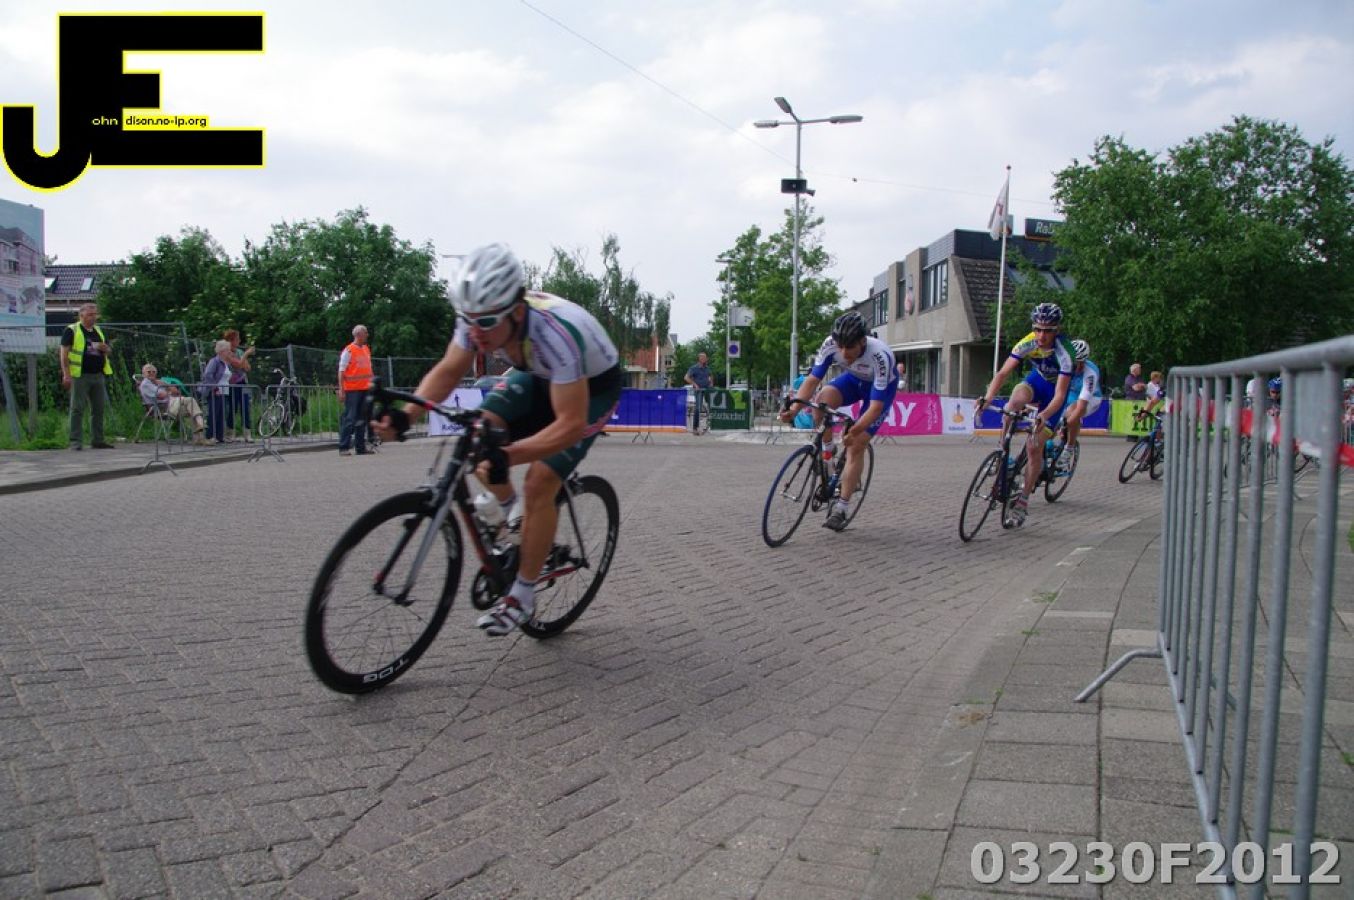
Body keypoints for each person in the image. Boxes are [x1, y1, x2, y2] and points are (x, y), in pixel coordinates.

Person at [371, 243, 623, 637]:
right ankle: (517, 520)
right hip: (538, 373)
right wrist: (407, 414)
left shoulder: (555, 334)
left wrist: (512, 454)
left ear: (517, 312)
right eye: (467, 321)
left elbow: (570, 424)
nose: (475, 333)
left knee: (539, 481)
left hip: (592, 388)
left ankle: (522, 596)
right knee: (478, 439)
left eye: (486, 323)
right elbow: (449, 369)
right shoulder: (478, 318)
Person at [778, 311, 897, 532]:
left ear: (862, 342)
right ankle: (828, 450)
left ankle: (841, 508)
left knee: (856, 444)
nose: (843, 352)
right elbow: (813, 380)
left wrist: (854, 431)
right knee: (822, 401)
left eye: (849, 347)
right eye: (840, 346)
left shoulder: (880, 356)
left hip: (878, 391)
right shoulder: (830, 344)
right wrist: (794, 410)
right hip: (852, 380)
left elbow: (875, 408)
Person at [974, 302, 1073, 527]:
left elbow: (1060, 395)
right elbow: (1003, 373)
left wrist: (1044, 416)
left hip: (1054, 396)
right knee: (1012, 405)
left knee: (1033, 446)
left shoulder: (1065, 352)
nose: (1041, 335)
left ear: (1056, 330)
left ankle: (1023, 501)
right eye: (1037, 329)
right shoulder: (1028, 342)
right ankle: (1002, 453)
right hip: (1036, 381)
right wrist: (987, 398)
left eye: (1047, 331)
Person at [58, 302, 114, 450]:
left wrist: (106, 349)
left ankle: (98, 440)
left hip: (98, 374)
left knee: (99, 408)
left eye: (95, 315)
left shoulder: (98, 331)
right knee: (77, 408)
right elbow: (64, 354)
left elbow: (109, 350)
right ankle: (75, 441)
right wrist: (66, 375)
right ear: (81, 315)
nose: (93, 317)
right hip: (80, 375)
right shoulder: (72, 330)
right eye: (90, 315)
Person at [138, 363, 209, 445]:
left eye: (153, 372)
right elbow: (161, 395)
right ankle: (201, 427)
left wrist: (165, 384)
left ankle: (199, 436)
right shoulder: (146, 384)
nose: (151, 373)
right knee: (189, 401)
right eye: (149, 372)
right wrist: (169, 392)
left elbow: (176, 391)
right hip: (161, 408)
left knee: (191, 406)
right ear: (144, 373)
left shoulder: (157, 382)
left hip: (172, 406)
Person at [1058, 339, 1102, 467]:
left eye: (1077, 363)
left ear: (1084, 361)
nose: (1074, 367)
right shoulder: (1061, 364)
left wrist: (1066, 425)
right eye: (1071, 362)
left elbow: (1081, 406)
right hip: (1072, 393)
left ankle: (1069, 449)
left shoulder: (1090, 373)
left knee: (1074, 412)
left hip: (1091, 397)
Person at [337, 324, 373, 455]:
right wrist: (341, 390)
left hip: (365, 388)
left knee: (361, 419)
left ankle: (360, 447)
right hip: (352, 390)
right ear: (359, 335)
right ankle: (343, 447)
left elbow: (368, 369)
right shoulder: (349, 350)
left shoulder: (366, 349)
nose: (367, 335)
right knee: (350, 418)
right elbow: (341, 371)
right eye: (365, 333)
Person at [199, 340, 235, 443]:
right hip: (215, 391)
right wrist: (215, 388)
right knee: (214, 414)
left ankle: (219, 436)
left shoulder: (225, 363)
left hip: (224, 391)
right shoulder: (214, 361)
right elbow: (208, 375)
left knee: (221, 414)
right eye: (227, 350)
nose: (229, 352)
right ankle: (210, 436)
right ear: (222, 351)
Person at [222, 329, 255, 442]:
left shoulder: (239, 352)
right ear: (230, 340)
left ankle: (247, 433)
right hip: (232, 384)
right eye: (237, 339)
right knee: (233, 408)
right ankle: (230, 433)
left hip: (243, 382)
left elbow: (247, 367)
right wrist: (246, 354)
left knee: (245, 407)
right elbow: (238, 365)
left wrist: (243, 360)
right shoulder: (226, 353)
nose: (239, 341)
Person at [684, 351, 713, 433]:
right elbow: (686, 377)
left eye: (706, 358)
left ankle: (710, 425)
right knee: (698, 408)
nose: (705, 359)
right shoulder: (694, 368)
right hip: (698, 391)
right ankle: (695, 427)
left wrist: (711, 383)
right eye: (703, 358)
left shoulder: (707, 368)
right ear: (700, 359)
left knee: (711, 407)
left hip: (707, 390)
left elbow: (711, 375)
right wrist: (695, 385)